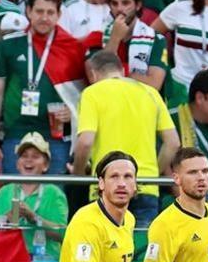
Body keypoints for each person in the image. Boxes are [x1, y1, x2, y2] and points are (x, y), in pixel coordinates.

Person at [0, 0, 86, 175]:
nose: (44, 18)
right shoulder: (9, 44)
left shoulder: (72, 48)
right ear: (28, 11)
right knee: (14, 195)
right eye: (39, 11)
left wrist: (74, 111)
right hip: (16, 133)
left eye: (50, 12)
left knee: (53, 197)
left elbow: (85, 95)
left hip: (56, 137)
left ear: (59, 15)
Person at [74, 50, 180, 226]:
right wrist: (152, 172)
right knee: (142, 249)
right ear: (122, 71)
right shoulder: (151, 93)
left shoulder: (92, 93)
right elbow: (173, 142)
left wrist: (78, 174)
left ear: (93, 74)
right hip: (145, 184)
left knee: (107, 248)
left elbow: (85, 142)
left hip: (108, 185)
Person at [0, 132, 68, 259]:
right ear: (17, 163)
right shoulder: (4, 192)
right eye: (24, 155)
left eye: (35, 156)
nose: (29, 160)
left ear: (46, 165)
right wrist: (9, 218)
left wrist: (34, 218)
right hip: (11, 261)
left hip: (46, 260)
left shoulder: (55, 193)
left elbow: (62, 234)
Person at [100, 0, 168, 92]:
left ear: (138, 5)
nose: (120, 9)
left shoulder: (156, 39)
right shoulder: (98, 34)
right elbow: (100, 77)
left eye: (125, 3)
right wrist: (114, 39)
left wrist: (122, 74)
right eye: (114, 3)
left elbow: (155, 84)